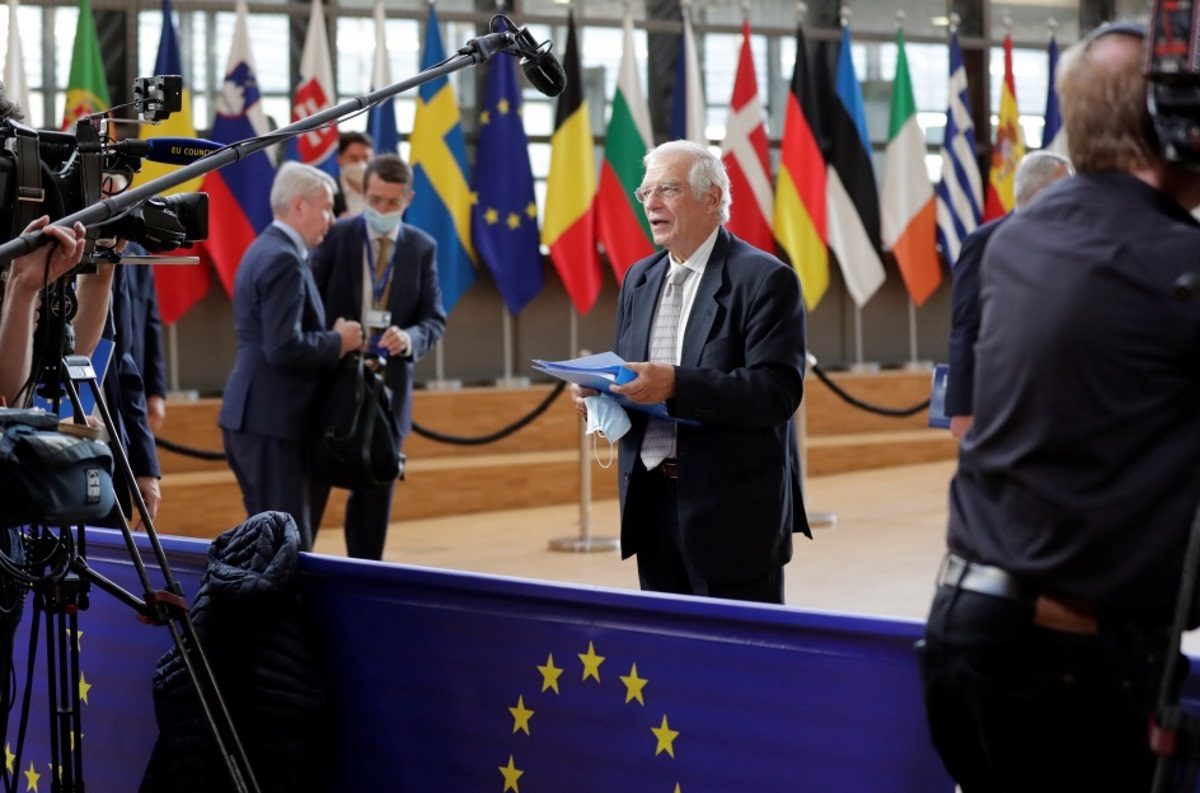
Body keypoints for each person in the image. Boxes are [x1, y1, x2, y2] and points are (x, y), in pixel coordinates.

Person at [920, 23, 1200, 793]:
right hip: (1071, 668)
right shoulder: (1173, 265)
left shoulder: (1019, 238)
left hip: (969, 634)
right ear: (1172, 125)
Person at [571, 140, 809, 604]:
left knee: (734, 649)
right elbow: (636, 379)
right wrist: (600, 396)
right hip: (650, 505)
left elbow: (775, 392)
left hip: (732, 515)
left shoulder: (764, 279)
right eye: (645, 193)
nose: (651, 204)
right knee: (665, 645)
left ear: (712, 198)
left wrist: (676, 384)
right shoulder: (638, 279)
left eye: (668, 189)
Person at [218, 162, 362, 549]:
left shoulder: (263, 247)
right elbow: (283, 346)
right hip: (272, 421)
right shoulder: (284, 258)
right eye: (327, 208)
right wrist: (338, 340)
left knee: (267, 542)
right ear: (299, 206)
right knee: (287, 548)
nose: (332, 219)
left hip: (257, 417)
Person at [309, 154, 445, 559]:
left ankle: (367, 573)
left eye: (391, 202)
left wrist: (409, 338)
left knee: (373, 499)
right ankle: (294, 571)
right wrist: (335, 337)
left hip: (387, 390)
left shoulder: (421, 248)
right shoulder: (337, 236)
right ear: (363, 194)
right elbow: (309, 301)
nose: (381, 210)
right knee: (312, 490)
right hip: (333, 384)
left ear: (408, 199)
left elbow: (433, 320)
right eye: (374, 200)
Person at [945, 150, 1073, 439]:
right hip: (1002, 392)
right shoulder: (984, 242)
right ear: (1040, 194)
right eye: (1067, 188)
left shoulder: (1071, 243)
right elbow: (966, 326)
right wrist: (962, 407)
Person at [332, 131, 374, 218]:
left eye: (366, 158)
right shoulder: (330, 192)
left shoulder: (382, 192)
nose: (361, 164)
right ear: (340, 159)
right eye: (354, 158)